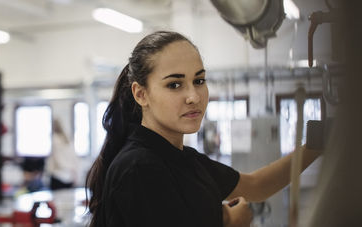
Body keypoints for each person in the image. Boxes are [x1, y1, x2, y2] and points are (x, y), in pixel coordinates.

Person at [85, 31, 321, 227]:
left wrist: (317, 144)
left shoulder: (183, 159)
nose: (193, 97)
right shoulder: (139, 167)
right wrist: (228, 222)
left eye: (199, 81)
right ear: (141, 94)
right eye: (174, 84)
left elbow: (256, 186)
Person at [46, 119, 79, 190]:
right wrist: (74, 172)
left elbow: (57, 160)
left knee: (57, 200)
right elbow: (74, 159)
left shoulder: (54, 139)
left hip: (57, 176)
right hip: (69, 176)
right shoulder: (68, 140)